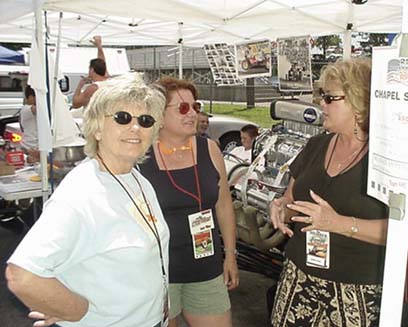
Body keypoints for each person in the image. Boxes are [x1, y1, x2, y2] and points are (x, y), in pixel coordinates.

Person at [5, 74, 169, 327]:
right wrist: (75, 310)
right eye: (122, 117)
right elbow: (22, 275)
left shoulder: (136, 179)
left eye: (146, 121)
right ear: (97, 128)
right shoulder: (82, 194)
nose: (135, 127)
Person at [270, 59, 389, 327]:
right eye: (321, 97)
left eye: (330, 98)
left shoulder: (385, 157)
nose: (321, 104)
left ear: (360, 102)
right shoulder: (316, 145)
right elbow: (291, 200)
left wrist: (339, 224)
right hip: (298, 275)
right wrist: (280, 208)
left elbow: (403, 232)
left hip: (356, 286)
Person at [139, 77, 239, 327]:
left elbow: (224, 206)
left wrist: (230, 255)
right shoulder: (141, 156)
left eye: (195, 106)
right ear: (159, 115)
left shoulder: (211, 149)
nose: (193, 114)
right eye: (183, 108)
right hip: (158, 273)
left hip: (206, 268)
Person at [72, 35, 108, 109]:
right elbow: (102, 61)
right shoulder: (108, 80)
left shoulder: (93, 88)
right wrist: (99, 47)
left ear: (92, 70)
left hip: (94, 119)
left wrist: (80, 85)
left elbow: (75, 104)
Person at [19, 84, 39, 161]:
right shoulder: (26, 109)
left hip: (34, 147)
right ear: (30, 97)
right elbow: (36, 109)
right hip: (30, 147)